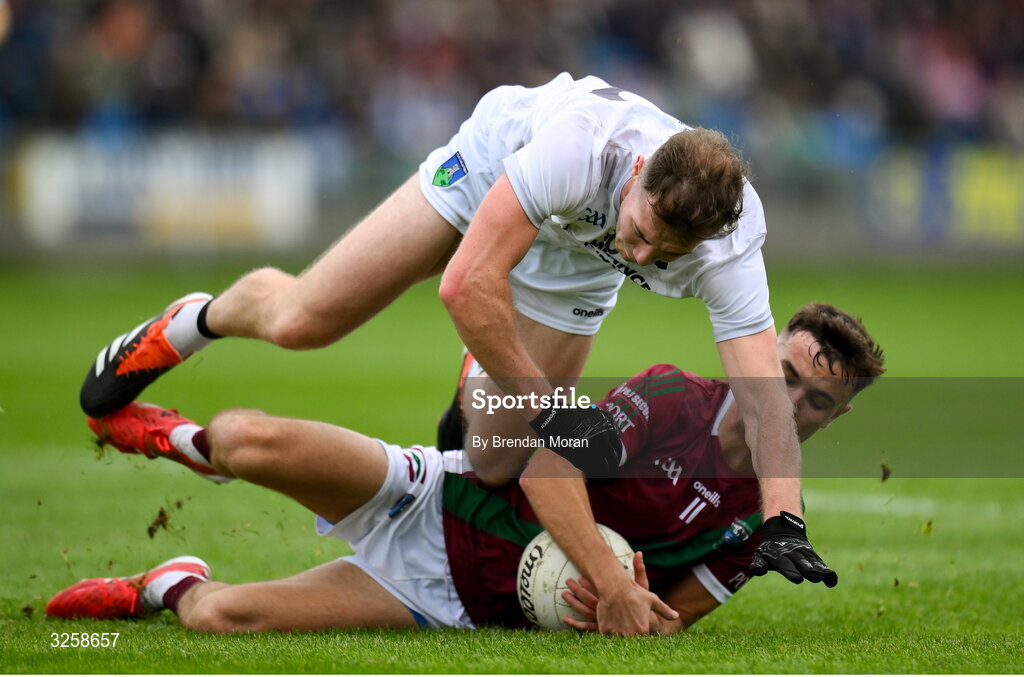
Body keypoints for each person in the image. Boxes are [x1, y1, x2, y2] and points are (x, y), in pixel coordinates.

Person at [81, 72, 818, 583]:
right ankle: (196, 318)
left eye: (668, 254)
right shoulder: (578, 150)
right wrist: (553, 413)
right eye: (645, 229)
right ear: (639, 178)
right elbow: (464, 284)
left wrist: (785, 516)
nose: (647, 255)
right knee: (305, 320)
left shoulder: (731, 243)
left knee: (494, 461)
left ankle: (479, 388)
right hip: (489, 172)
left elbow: (762, 396)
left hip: (574, 266)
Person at [52, 304, 885, 635]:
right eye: (779, 375)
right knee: (246, 440)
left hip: (451, 603)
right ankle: (179, 440)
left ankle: (167, 583)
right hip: (439, 497)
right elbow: (545, 471)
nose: (787, 402)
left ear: (834, 418)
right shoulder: (671, 396)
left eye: (814, 399)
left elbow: (673, 620)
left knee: (217, 619)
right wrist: (611, 576)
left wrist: (632, 614)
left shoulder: (765, 521)